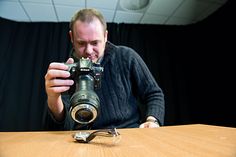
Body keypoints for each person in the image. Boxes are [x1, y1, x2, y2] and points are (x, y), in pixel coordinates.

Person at [44, 8, 165, 130]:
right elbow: (64, 126)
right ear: (71, 37)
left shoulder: (126, 57)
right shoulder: (66, 71)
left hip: (128, 133)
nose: (89, 51)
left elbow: (153, 93)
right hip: (87, 139)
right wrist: (53, 99)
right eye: (81, 43)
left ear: (105, 36)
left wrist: (152, 120)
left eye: (95, 43)